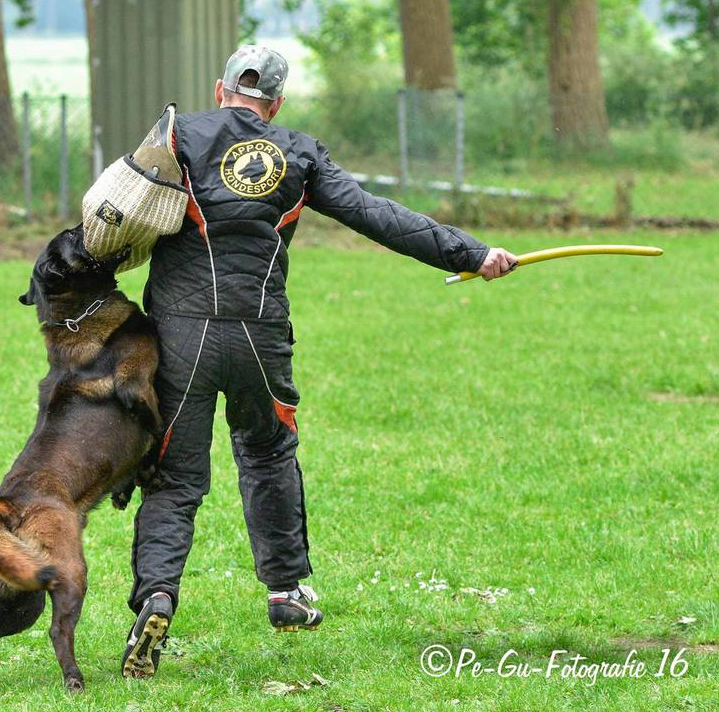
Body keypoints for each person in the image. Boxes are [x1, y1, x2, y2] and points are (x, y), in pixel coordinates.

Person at [119, 45, 517, 679]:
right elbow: (375, 215)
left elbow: (114, 209)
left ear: (222, 91)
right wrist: (468, 253)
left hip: (179, 337)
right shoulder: (299, 153)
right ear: (275, 104)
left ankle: (158, 598)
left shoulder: (177, 134)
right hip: (259, 336)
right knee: (268, 453)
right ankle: (286, 595)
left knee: (174, 479)